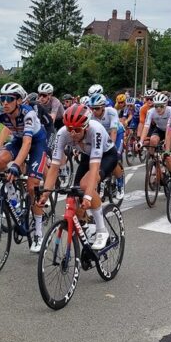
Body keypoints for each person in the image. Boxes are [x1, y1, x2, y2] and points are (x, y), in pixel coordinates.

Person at [0, 83, 47, 252]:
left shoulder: (29, 114)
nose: (4, 102)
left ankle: (38, 233)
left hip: (36, 142)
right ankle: (14, 198)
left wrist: (16, 166)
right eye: (1, 98)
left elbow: (28, 143)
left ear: (18, 101)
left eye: (8, 99)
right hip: (19, 140)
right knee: (0, 159)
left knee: (33, 185)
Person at [40, 103, 117, 250]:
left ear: (86, 127)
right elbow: (55, 167)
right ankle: (87, 228)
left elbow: (95, 167)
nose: (72, 133)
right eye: (69, 129)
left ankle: (102, 231)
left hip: (107, 156)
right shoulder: (62, 133)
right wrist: (46, 193)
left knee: (85, 185)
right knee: (74, 197)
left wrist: (88, 195)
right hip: (86, 156)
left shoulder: (96, 130)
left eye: (76, 130)